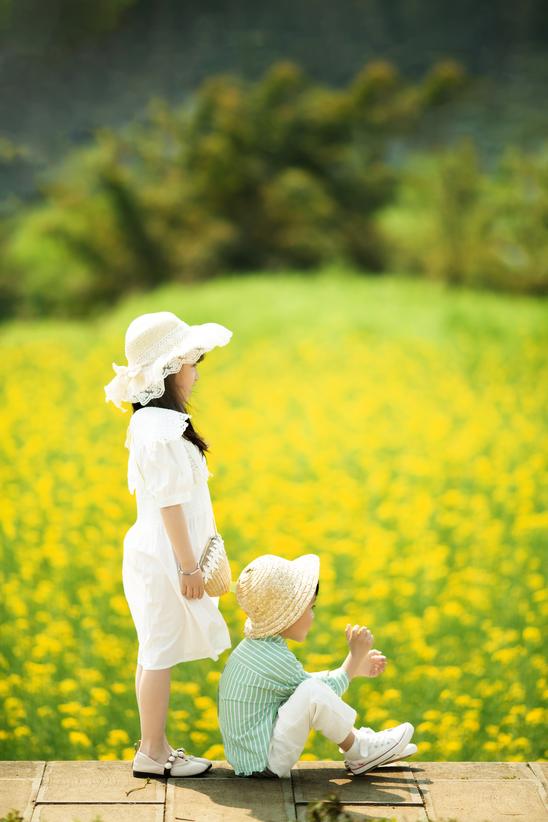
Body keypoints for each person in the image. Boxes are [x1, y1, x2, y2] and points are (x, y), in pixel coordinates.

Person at [104, 310, 233, 778]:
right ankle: (153, 753)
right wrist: (188, 568)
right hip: (163, 558)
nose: (196, 372)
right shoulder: (160, 430)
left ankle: (154, 747)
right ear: (169, 369)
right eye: (192, 362)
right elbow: (171, 503)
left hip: (159, 554)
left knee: (154, 649)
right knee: (157, 652)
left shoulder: (155, 423)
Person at [218, 553, 417, 778]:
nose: (313, 615)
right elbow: (318, 693)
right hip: (263, 764)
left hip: (252, 759)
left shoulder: (258, 648)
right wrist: (353, 659)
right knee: (312, 692)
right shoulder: (271, 656)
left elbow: (301, 685)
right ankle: (360, 750)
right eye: (310, 607)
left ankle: (360, 747)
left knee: (310, 690)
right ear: (288, 615)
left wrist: (354, 668)